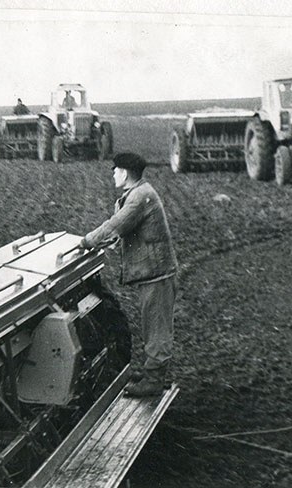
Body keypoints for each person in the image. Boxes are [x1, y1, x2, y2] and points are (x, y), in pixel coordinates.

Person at [79, 152, 178, 397]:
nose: (113, 174)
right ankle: (151, 372)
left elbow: (115, 226)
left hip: (156, 273)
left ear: (124, 172)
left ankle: (153, 380)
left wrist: (85, 241)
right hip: (154, 271)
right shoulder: (137, 193)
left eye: (115, 170)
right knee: (152, 324)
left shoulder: (139, 197)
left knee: (156, 328)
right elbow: (117, 232)